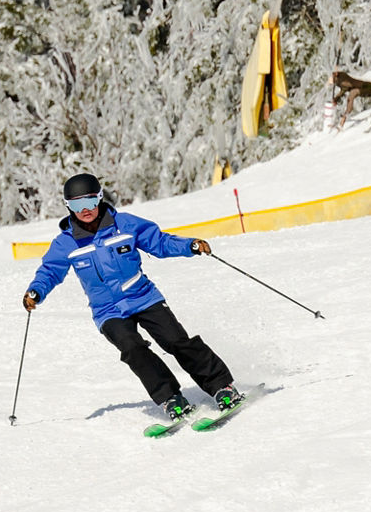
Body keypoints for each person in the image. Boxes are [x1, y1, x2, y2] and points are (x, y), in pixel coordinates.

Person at [22, 173, 243, 420]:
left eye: (90, 202)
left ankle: (222, 387)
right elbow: (50, 270)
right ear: (68, 207)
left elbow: (159, 242)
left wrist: (189, 245)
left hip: (143, 297)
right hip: (107, 311)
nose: (85, 210)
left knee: (175, 341)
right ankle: (171, 398)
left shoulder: (125, 225)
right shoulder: (66, 243)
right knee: (132, 349)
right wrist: (36, 291)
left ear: (100, 199)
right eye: (76, 205)